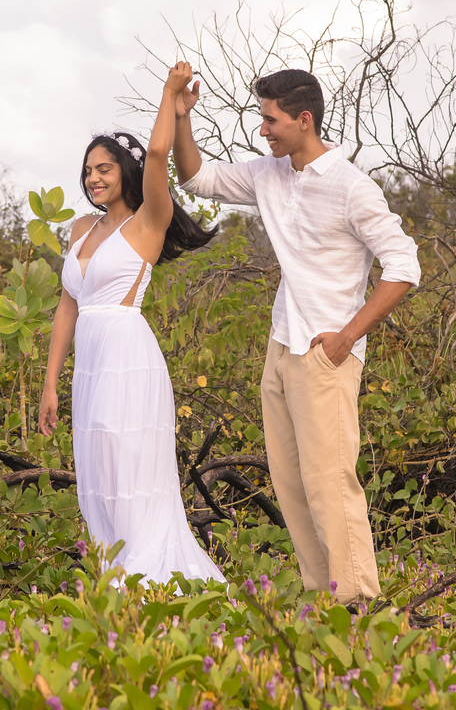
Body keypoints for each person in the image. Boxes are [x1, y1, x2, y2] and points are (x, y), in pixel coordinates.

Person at [171, 68, 420, 605]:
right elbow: (194, 178)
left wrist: (346, 337)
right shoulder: (269, 173)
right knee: (291, 482)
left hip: (326, 355)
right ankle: (321, 594)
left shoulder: (352, 187)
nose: (263, 130)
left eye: (271, 119)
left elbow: (404, 266)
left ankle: (358, 604)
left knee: (331, 483)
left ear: (304, 120)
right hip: (281, 346)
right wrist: (181, 117)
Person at [38, 62, 224, 586]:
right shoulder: (77, 228)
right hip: (90, 366)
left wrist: (170, 98)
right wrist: (51, 382)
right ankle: (112, 572)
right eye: (89, 170)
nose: (95, 178)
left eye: (105, 169)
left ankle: (146, 579)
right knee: (97, 470)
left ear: (126, 171)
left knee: (129, 465)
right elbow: (67, 307)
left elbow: (161, 155)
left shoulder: (150, 220)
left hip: (127, 354)